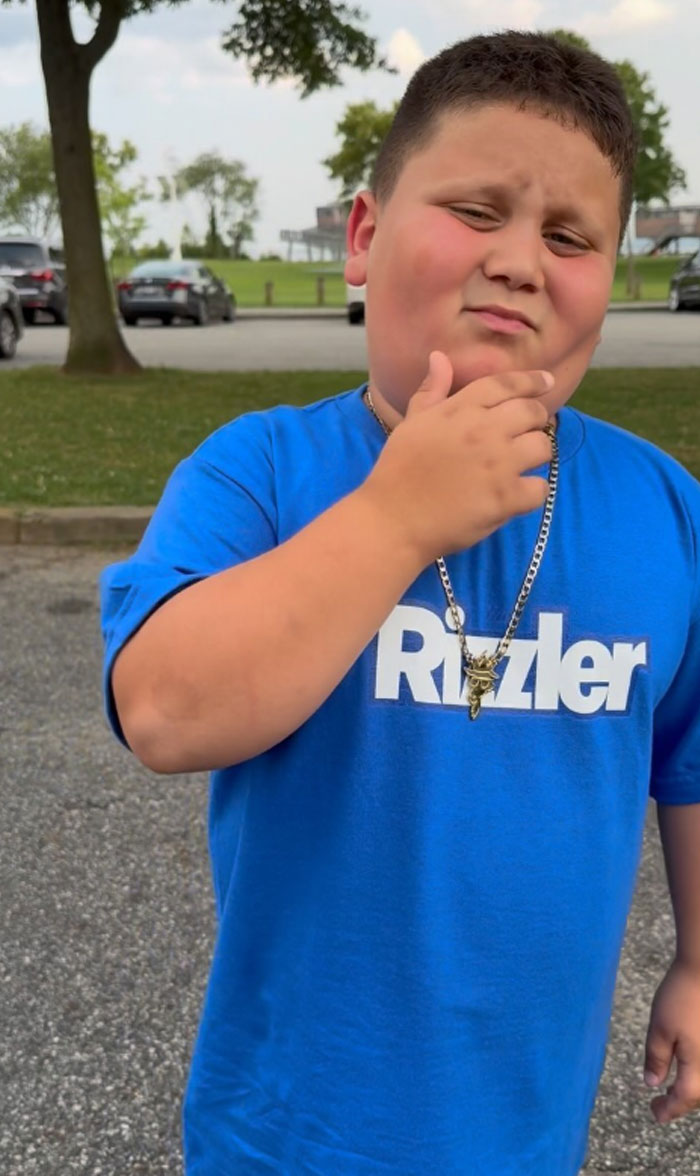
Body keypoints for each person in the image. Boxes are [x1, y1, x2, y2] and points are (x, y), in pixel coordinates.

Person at [99, 30, 700, 1176]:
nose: (519, 262)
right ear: (364, 239)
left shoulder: (664, 512)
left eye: (569, 237)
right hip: (283, 1135)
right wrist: (395, 518)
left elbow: (690, 757)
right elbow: (165, 712)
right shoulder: (259, 473)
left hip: (528, 1134)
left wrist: (697, 962)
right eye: (476, 211)